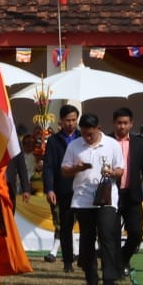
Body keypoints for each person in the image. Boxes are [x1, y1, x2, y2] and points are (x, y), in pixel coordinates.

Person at [62, 113, 124, 285]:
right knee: (87, 239)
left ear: (98, 129)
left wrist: (112, 173)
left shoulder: (111, 144)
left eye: (91, 134)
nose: (88, 137)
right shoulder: (74, 145)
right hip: (83, 199)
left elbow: (121, 169)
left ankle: (110, 277)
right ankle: (91, 278)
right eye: (84, 134)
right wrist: (77, 168)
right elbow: (64, 170)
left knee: (107, 235)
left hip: (106, 197)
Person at [43, 105, 81, 269]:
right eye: (68, 120)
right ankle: (67, 261)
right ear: (61, 121)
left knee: (86, 226)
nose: (71, 123)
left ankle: (84, 257)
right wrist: (49, 188)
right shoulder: (53, 141)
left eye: (74, 120)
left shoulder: (83, 138)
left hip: (82, 188)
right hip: (63, 189)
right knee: (65, 227)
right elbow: (49, 166)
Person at [111, 107, 143, 273]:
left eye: (125, 123)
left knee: (136, 232)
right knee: (111, 234)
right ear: (114, 124)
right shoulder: (106, 141)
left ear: (131, 124)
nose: (122, 126)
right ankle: (114, 268)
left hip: (132, 195)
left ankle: (122, 259)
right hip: (111, 195)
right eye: (119, 123)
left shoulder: (140, 144)